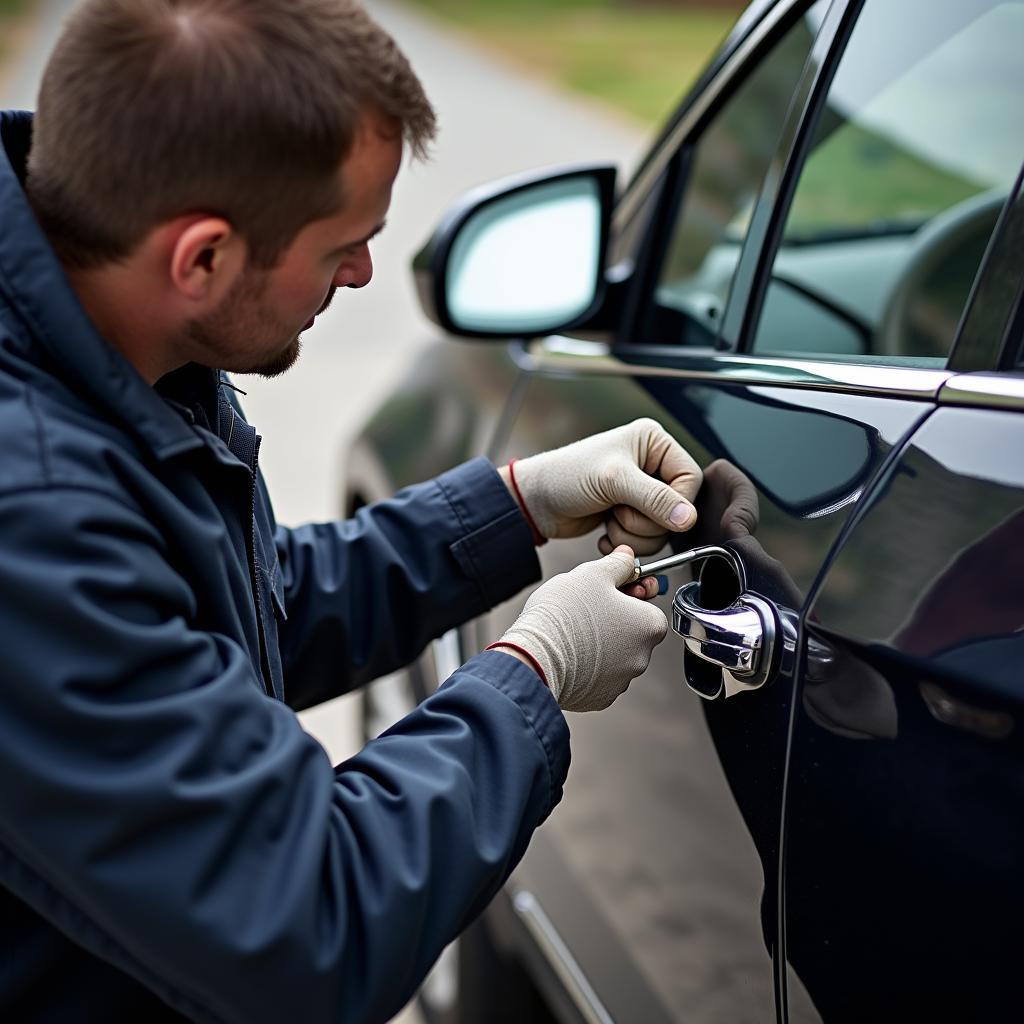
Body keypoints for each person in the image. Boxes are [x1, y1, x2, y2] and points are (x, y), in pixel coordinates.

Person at [0, 1, 702, 1021]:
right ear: (200, 258)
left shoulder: (111, 344)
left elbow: (231, 616)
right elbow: (306, 922)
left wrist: (517, 504)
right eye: (344, 244)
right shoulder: (33, 516)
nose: (366, 272)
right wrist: (536, 671)